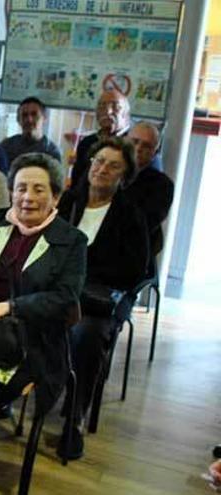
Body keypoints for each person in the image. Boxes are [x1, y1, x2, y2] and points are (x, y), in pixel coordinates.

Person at [0, 152, 87, 419]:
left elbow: (65, 298)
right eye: (21, 188)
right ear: (11, 192)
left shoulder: (72, 241)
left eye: (38, 189)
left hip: (30, 339)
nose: (28, 197)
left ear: (55, 197)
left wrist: (7, 307)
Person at [56, 137, 150, 461]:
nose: (101, 169)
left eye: (112, 166)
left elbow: (136, 269)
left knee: (87, 334)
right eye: (98, 161)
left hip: (98, 299)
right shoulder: (69, 201)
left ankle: (74, 417)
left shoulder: (129, 215)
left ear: (123, 177)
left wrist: (85, 268)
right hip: (61, 290)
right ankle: (8, 395)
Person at [125, 121, 174, 256]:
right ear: (124, 141)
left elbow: (145, 224)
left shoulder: (162, 185)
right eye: (134, 141)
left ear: (154, 152)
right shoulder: (107, 170)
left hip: (133, 253)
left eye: (146, 146)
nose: (139, 148)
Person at [71, 89, 131, 188]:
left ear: (126, 114)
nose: (108, 111)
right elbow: (76, 182)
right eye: (102, 106)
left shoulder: (134, 143)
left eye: (115, 107)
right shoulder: (87, 142)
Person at [0, 97, 62, 163]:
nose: (29, 120)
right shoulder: (6, 147)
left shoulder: (51, 152)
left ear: (44, 118)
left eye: (34, 114)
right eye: (24, 115)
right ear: (18, 120)